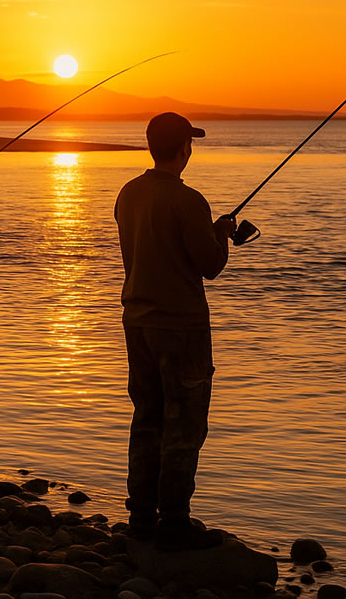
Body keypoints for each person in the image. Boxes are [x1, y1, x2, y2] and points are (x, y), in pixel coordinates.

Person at [114, 112, 235, 550]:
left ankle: (142, 518)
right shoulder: (189, 201)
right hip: (181, 327)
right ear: (184, 148)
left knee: (146, 419)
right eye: (190, 143)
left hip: (137, 322)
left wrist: (211, 230)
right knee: (183, 424)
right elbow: (210, 266)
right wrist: (220, 235)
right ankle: (175, 523)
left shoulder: (129, 194)